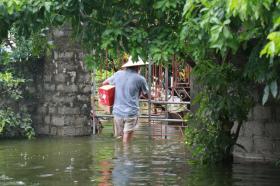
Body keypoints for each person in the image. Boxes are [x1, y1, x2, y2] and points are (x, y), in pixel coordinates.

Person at [102, 56, 148, 143]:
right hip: (131, 112)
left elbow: (105, 83)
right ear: (138, 67)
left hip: (117, 112)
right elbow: (147, 95)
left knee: (119, 138)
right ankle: (126, 154)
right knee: (127, 140)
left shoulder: (118, 74)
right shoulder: (140, 79)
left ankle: (120, 154)